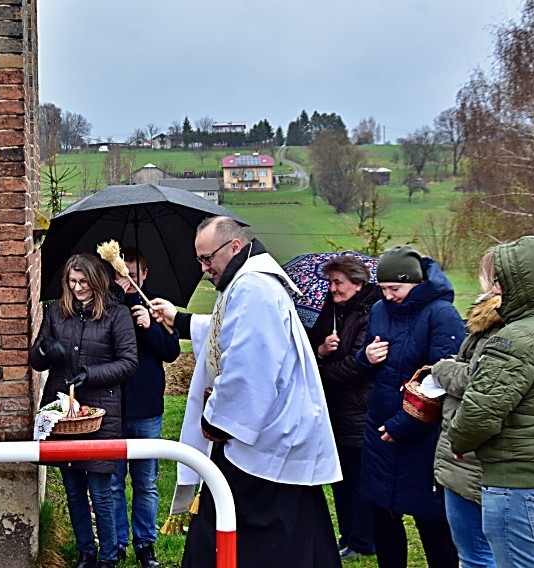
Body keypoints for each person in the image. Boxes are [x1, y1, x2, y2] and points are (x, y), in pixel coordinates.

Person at [150, 216, 342, 568]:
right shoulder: (246, 284)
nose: (205, 269)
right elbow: (225, 328)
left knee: (227, 531)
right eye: (200, 261)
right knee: (288, 529)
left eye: (208, 259)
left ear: (234, 247)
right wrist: (178, 320)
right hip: (267, 437)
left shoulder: (253, 287)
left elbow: (251, 366)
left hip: (261, 442)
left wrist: (217, 424)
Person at [448, 236, 534, 568]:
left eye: (500, 280)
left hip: (520, 483)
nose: (495, 289)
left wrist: (460, 441)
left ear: (519, 282)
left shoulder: (517, 338)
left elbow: (480, 412)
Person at [355, 245, 464, 568]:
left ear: (416, 283)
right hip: (380, 428)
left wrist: (403, 425)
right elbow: (365, 363)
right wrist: (366, 358)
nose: (388, 296)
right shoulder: (378, 310)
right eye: (383, 289)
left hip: (423, 436)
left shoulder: (441, 314)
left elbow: (444, 379)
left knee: (431, 521)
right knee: (382, 515)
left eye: (395, 289)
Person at [30, 253, 138, 568]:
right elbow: (37, 360)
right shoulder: (55, 313)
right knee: (73, 489)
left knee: (100, 491)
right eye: (72, 282)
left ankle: (107, 554)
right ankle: (85, 551)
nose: (77, 288)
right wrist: (45, 350)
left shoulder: (116, 315)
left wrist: (91, 374)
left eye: (83, 282)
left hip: (101, 413)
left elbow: (129, 362)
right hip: (64, 414)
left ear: (97, 280)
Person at [109, 247, 180, 568]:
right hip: (113, 406)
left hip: (148, 407)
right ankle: (118, 541)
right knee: (112, 483)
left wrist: (150, 326)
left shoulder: (156, 306)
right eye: (122, 275)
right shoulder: (106, 306)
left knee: (145, 482)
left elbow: (171, 352)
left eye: (133, 275)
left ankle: (145, 545)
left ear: (144, 275)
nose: (127, 281)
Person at [430, 248, 500, 568]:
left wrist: (442, 369)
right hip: (476, 459)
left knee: (477, 556)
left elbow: (479, 380)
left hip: (475, 458)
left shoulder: (504, 325)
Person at [306, 256, 378, 560]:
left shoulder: (371, 312)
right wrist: (321, 350)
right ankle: (348, 534)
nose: (332, 288)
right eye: (330, 282)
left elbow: (360, 365)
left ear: (357, 283)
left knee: (359, 480)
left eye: (338, 282)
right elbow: (309, 346)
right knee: (340, 478)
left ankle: (363, 540)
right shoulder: (333, 310)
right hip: (335, 409)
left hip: (359, 409)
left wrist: (319, 373)